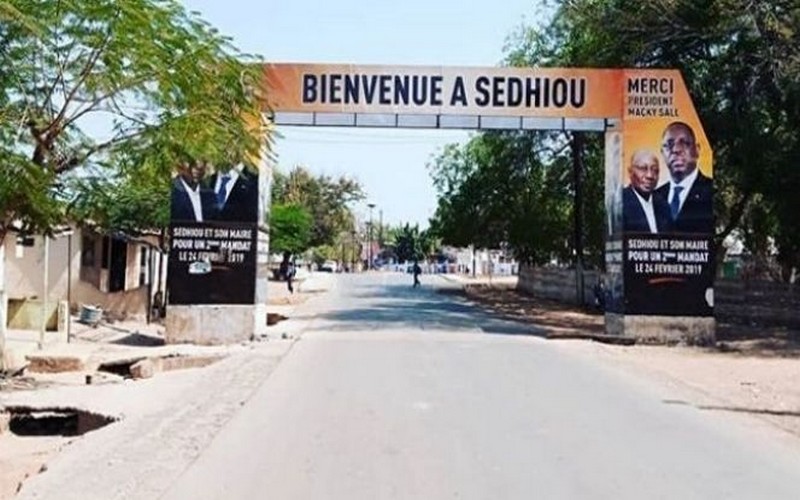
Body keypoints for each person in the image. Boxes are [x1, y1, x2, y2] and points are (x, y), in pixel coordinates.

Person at [654, 121, 714, 234]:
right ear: (662, 153)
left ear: (697, 150)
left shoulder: (711, 190)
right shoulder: (654, 198)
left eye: (685, 143)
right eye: (669, 145)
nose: (676, 150)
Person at [622, 149, 671, 233]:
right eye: (643, 169)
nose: (650, 175)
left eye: (655, 170)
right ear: (630, 172)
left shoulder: (663, 206)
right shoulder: (620, 202)